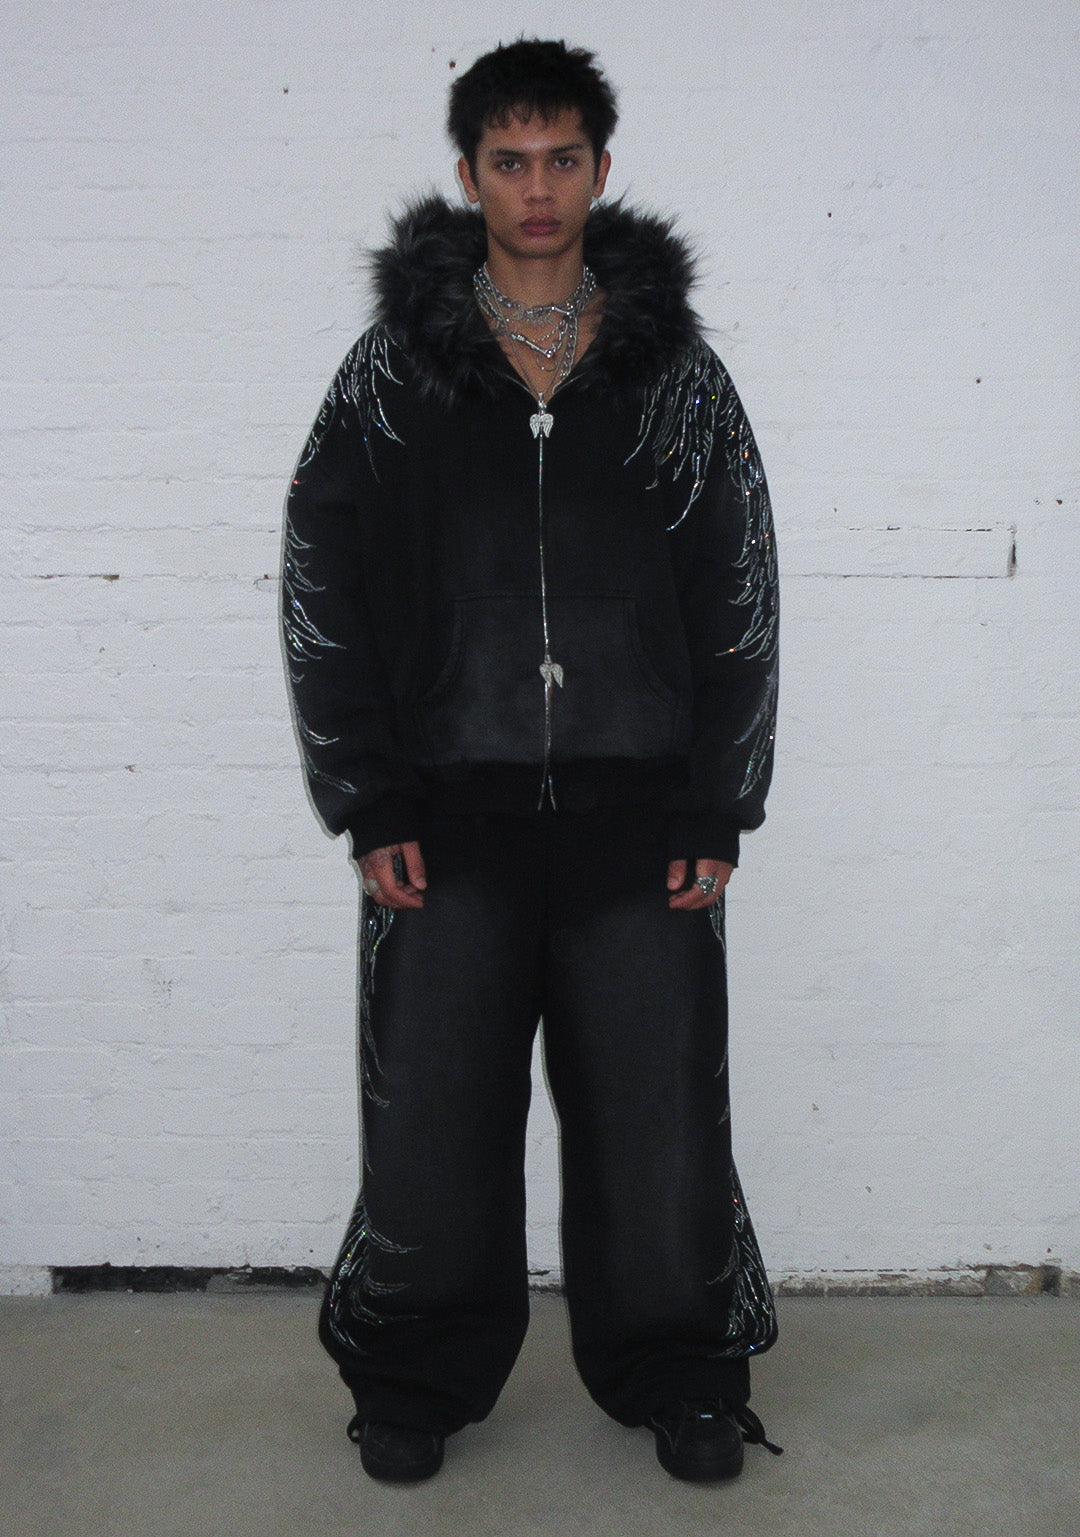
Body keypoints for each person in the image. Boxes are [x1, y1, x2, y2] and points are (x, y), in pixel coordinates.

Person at [282, 38, 781, 1485]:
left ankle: (684, 1372)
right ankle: (414, 1376)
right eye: (510, 161)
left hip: (641, 817)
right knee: (432, 1121)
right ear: (470, 176)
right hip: (448, 817)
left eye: (564, 158)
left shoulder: (674, 374)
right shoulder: (396, 376)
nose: (539, 187)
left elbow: (738, 590)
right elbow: (324, 584)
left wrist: (717, 803)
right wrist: (369, 793)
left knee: (660, 1120)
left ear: (602, 170)